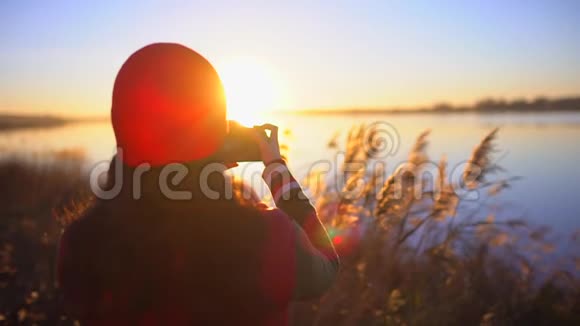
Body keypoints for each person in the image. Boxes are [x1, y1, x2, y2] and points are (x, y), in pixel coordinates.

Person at [57, 43, 339, 325]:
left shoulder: (80, 244)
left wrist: (191, 160)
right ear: (216, 127)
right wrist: (276, 169)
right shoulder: (269, 239)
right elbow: (327, 264)